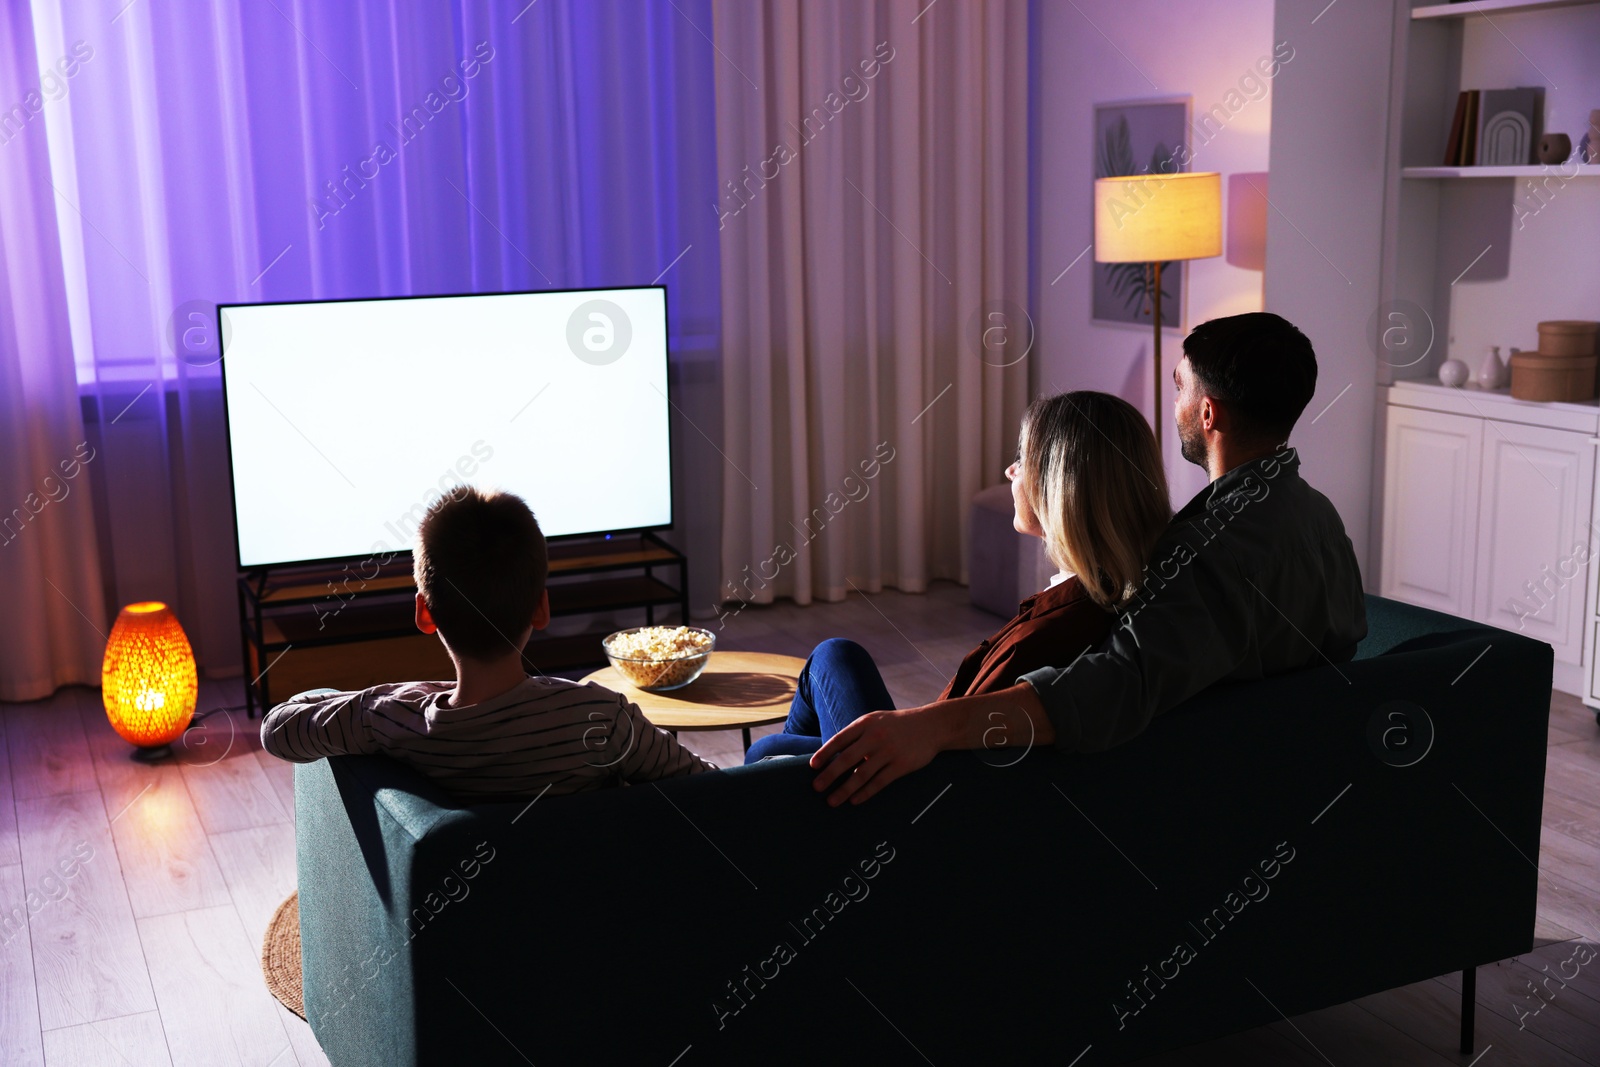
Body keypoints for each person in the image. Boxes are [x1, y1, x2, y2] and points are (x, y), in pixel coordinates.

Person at [807, 311, 1367, 805]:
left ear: (1208, 414)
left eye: (1179, 390)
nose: (1172, 407)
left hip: (1208, 788)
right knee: (793, 746)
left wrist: (926, 727)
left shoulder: (1208, 551)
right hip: (1291, 773)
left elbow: (1106, 689)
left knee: (825, 675)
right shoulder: (1320, 519)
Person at [745, 390, 1171, 763]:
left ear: (1057, 487)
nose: (1010, 471)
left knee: (771, 748)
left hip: (914, 796)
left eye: (1022, 459)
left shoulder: (1050, 630)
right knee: (835, 657)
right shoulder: (1132, 593)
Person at [261, 487, 715, 799]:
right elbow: (708, 789)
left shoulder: (388, 718)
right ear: (541, 609)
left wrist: (398, 696)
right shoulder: (599, 719)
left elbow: (279, 729)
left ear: (424, 613)